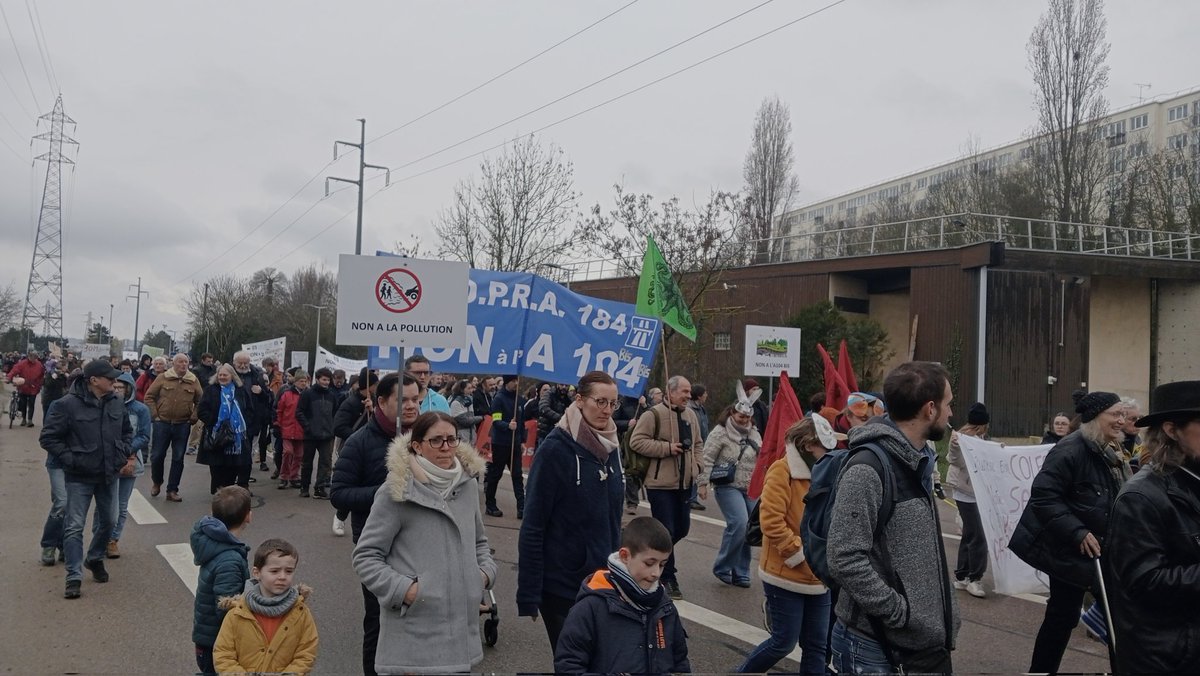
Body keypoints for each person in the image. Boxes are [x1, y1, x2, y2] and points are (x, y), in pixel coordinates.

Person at [827, 361, 960, 676]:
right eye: (948, 404)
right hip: (873, 647)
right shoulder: (868, 468)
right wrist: (898, 612)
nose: (951, 413)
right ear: (929, 409)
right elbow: (843, 556)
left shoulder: (917, 461)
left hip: (913, 645)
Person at [352, 411, 497, 674]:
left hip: (460, 634)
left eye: (451, 440)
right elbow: (366, 556)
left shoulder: (466, 487)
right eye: (436, 441)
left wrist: (483, 576)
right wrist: (406, 591)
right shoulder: (396, 490)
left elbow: (479, 542)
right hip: (413, 635)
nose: (446, 447)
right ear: (417, 446)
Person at [1009, 391, 1128, 674]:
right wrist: (1077, 532)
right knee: (1082, 616)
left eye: (1123, 415)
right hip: (1070, 549)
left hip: (1097, 549)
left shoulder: (1107, 449)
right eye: (1116, 414)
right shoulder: (1070, 449)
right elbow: (1043, 497)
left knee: (1069, 616)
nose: (1121, 421)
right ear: (1095, 417)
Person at [518, 371, 626, 652]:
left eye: (613, 403)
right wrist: (529, 593)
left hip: (605, 581)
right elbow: (533, 524)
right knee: (574, 663)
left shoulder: (611, 446)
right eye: (600, 401)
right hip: (562, 586)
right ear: (579, 400)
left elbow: (613, 516)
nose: (607, 410)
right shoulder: (555, 450)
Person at [1105, 380, 1200, 674]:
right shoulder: (1141, 497)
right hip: (1166, 657)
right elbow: (1144, 582)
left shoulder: (1192, 479)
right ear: (1172, 430)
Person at [737, 416, 841, 675]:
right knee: (783, 642)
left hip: (819, 576)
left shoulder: (828, 472)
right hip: (786, 572)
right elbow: (771, 521)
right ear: (807, 445)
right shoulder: (781, 470)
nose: (829, 453)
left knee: (817, 645)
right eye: (824, 447)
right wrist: (801, 553)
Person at [331, 373, 419, 676]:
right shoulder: (360, 442)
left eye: (415, 399)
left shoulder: (426, 439)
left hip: (420, 545)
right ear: (381, 402)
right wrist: (387, 492)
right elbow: (339, 493)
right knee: (379, 621)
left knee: (419, 620)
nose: (411, 406)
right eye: (403, 400)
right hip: (377, 549)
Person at [39, 360, 134, 598]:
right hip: (79, 477)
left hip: (108, 475)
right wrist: (70, 459)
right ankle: (73, 575)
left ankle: (93, 558)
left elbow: (126, 432)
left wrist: (122, 453)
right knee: (74, 526)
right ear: (94, 380)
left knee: (110, 522)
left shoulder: (116, 402)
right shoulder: (67, 405)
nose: (115, 382)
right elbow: (49, 438)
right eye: (110, 378)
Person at [553, 516, 691, 674]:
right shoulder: (590, 607)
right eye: (649, 563)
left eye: (662, 564)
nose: (656, 573)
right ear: (625, 556)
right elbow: (568, 667)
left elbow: (680, 662)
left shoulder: (665, 607)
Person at [629, 374, 702, 600]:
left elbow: (698, 444)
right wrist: (667, 448)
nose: (688, 396)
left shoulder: (691, 415)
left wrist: (697, 467)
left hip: (685, 484)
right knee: (667, 530)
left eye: (689, 392)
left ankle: (651, 553)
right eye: (684, 391)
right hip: (660, 484)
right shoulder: (653, 415)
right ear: (671, 392)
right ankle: (667, 576)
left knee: (681, 530)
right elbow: (637, 441)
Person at [213, 538, 319, 675]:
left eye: (289, 571)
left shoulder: (300, 612)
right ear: (257, 573)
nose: (282, 576)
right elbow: (223, 654)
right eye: (274, 571)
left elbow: (307, 652)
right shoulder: (237, 612)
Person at [698, 394, 762, 588]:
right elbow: (707, 458)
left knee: (750, 529)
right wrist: (702, 483)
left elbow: (761, 458)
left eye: (747, 417)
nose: (744, 420)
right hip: (728, 485)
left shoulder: (754, 433)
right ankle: (723, 566)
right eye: (741, 416)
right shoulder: (720, 432)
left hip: (750, 487)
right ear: (732, 413)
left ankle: (741, 570)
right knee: (739, 523)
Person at [191, 486, 252, 676]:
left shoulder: (213, 542)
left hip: (208, 638)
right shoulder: (229, 560)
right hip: (218, 642)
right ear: (249, 516)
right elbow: (226, 609)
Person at [944, 402, 991, 600]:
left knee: (971, 534)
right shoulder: (960, 438)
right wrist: (955, 446)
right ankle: (974, 578)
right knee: (979, 535)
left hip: (975, 492)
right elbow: (953, 459)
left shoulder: (981, 439)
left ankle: (963, 576)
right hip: (966, 492)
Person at [101, 373, 151, 559]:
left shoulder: (140, 410)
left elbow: (144, 435)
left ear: (129, 388)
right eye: (114, 387)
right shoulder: (104, 405)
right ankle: (99, 538)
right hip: (107, 461)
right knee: (106, 504)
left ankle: (113, 540)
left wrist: (127, 451)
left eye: (121, 388)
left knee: (121, 505)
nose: (116, 390)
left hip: (130, 461)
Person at [145, 353, 202, 502]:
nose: (183, 364)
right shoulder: (163, 377)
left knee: (178, 457)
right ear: (173, 364)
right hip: (162, 423)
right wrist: (155, 415)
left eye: (186, 362)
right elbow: (149, 396)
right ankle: (157, 482)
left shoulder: (193, 380)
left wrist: (194, 416)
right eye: (180, 362)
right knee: (157, 456)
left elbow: (200, 401)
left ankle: (172, 490)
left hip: (182, 424)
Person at [197, 364, 253, 493]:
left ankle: (228, 489)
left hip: (236, 436)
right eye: (220, 375)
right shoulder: (211, 390)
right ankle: (218, 490)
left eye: (225, 375)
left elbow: (249, 409)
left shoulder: (240, 390)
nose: (222, 377)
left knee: (233, 465)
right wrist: (214, 421)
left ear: (232, 376)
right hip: (216, 434)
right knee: (216, 465)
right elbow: (202, 410)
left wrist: (244, 424)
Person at [486, 374, 526, 518]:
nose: (516, 384)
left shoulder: (519, 400)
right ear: (508, 382)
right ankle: (490, 504)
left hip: (514, 444)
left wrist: (522, 441)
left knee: (517, 475)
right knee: (495, 474)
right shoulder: (498, 399)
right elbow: (496, 421)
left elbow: (521, 423)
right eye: (514, 381)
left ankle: (522, 507)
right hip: (501, 443)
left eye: (517, 381)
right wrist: (507, 425)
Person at [296, 367, 339, 499]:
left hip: (327, 435)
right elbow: (299, 412)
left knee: (325, 462)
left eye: (328, 380)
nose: (326, 382)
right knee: (307, 462)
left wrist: (332, 427)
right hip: (311, 435)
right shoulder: (307, 394)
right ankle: (304, 487)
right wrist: (308, 426)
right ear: (317, 379)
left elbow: (336, 413)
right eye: (324, 379)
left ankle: (319, 488)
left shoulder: (332, 395)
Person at [232, 351, 272, 482]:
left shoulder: (257, 376)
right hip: (231, 423)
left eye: (246, 363)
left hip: (250, 422)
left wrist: (261, 392)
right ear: (234, 363)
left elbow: (268, 398)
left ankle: (244, 483)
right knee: (232, 454)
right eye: (240, 363)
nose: (243, 366)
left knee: (246, 455)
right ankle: (229, 482)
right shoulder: (228, 375)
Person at [275, 370, 308, 490]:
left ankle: (294, 476)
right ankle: (284, 476)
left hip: (301, 429)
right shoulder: (287, 394)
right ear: (296, 382)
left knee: (299, 455)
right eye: (301, 381)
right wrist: (277, 424)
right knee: (288, 452)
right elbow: (279, 410)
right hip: (287, 428)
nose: (303, 383)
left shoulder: (307, 395)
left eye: (305, 381)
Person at [687, 383, 710, 510]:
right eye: (705, 393)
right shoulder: (690, 409)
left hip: (702, 442)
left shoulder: (701, 409)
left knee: (699, 469)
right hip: (693, 444)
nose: (706, 395)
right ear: (699, 396)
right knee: (694, 470)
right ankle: (691, 498)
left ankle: (692, 497)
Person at [7, 350, 45, 426]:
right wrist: (9, 378)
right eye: (33, 357)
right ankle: (24, 419)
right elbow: (14, 370)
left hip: (34, 387)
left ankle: (30, 420)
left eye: (35, 358)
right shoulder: (22, 363)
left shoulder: (39, 365)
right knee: (23, 404)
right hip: (23, 386)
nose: (34, 359)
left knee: (31, 404)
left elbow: (42, 375)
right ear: (29, 357)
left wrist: (40, 383)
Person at [448, 378, 483, 446]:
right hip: (461, 436)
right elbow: (465, 421)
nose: (471, 391)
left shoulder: (469, 401)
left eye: (471, 388)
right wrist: (481, 418)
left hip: (471, 436)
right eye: (468, 388)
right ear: (461, 390)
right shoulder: (456, 403)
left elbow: (471, 418)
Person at [537, 381, 571, 448]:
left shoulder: (568, 399)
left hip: (560, 435)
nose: (564, 387)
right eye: (562, 384)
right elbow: (543, 408)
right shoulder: (549, 394)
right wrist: (560, 418)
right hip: (546, 433)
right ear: (557, 384)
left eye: (566, 385)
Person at [40, 358, 69, 423]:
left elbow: (65, 385)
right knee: (47, 415)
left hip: (58, 398)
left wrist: (65, 377)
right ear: (62, 366)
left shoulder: (64, 375)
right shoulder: (50, 373)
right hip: (48, 398)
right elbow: (47, 384)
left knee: (57, 416)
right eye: (66, 366)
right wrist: (56, 377)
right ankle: (45, 429)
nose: (67, 368)